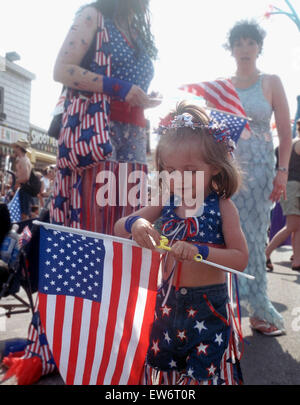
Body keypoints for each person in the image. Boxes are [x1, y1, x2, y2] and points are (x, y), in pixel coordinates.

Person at [114, 101, 248, 385]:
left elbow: (240, 259)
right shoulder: (165, 202)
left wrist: (200, 251)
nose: (178, 178)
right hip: (166, 304)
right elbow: (118, 227)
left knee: (202, 373)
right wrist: (137, 224)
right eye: (170, 169)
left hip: (208, 308)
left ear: (214, 167)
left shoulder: (223, 207)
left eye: (189, 169)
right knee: (164, 368)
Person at [51, 0, 160, 233]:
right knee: (94, 215)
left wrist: (142, 98)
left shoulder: (136, 30)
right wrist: (119, 88)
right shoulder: (94, 17)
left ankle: (118, 268)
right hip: (97, 131)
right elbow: (61, 69)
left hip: (135, 133)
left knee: (129, 214)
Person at [219, 20, 292, 336]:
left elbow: (286, 134)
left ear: (259, 46)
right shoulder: (224, 86)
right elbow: (215, 132)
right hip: (230, 171)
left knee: (256, 234)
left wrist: (282, 171)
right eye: (239, 43)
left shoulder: (272, 82)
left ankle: (260, 310)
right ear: (232, 49)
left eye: (250, 42)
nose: (245, 48)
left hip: (263, 170)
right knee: (226, 235)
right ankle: (226, 305)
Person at [266, 119, 300, 271]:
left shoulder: (289, 144)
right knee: (292, 225)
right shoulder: (297, 143)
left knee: (297, 226)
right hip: (294, 187)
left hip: (291, 186)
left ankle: (297, 261)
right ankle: (265, 254)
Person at [12, 139, 33, 221]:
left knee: (24, 215)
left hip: (24, 189)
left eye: (15, 147)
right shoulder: (24, 159)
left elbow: (26, 177)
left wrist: (15, 182)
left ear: (19, 148)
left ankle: (25, 231)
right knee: (23, 214)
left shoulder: (23, 160)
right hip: (24, 189)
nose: (14, 149)